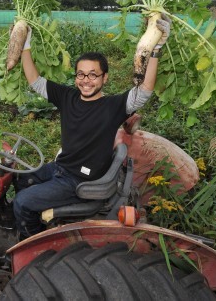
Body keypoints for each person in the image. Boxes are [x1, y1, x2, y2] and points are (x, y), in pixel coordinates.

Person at [13, 14, 171, 239]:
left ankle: (35, 242)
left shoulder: (113, 106)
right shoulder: (67, 96)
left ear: (104, 78)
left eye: (93, 75)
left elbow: (145, 90)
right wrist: (25, 44)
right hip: (60, 168)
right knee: (20, 179)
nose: (86, 80)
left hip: (79, 181)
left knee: (22, 202)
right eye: (81, 74)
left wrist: (156, 49)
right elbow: (35, 81)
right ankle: (34, 219)